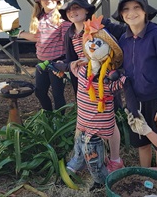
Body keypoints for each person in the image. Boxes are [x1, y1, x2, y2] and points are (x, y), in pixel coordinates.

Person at [56, 0, 127, 172]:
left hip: (104, 80)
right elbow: (70, 58)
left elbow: (125, 32)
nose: (72, 12)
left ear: (87, 10)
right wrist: (68, 65)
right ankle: (79, 155)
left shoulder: (100, 25)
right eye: (69, 10)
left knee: (109, 120)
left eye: (77, 7)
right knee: (83, 120)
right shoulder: (70, 34)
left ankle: (115, 159)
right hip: (85, 84)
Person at [111, 0, 157, 168]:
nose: (131, 13)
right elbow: (123, 68)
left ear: (145, 11)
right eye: (126, 9)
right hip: (135, 99)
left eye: (136, 7)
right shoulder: (123, 39)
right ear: (121, 14)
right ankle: (146, 175)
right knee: (142, 142)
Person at [66, 16, 126, 191]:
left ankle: (102, 182)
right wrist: (68, 66)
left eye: (98, 44)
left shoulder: (108, 75)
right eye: (90, 42)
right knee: (79, 144)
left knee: (94, 154)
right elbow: (72, 69)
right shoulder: (84, 68)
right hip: (82, 118)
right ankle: (78, 161)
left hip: (98, 124)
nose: (92, 46)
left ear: (108, 51)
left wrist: (122, 78)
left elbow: (119, 84)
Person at [11, 0, 71, 112]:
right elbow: (36, 37)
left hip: (57, 62)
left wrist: (65, 64)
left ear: (56, 0)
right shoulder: (39, 17)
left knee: (57, 94)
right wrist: (18, 33)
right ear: (40, 1)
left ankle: (59, 122)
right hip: (41, 62)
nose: (48, 0)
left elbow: (68, 43)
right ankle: (49, 116)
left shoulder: (62, 18)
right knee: (39, 91)